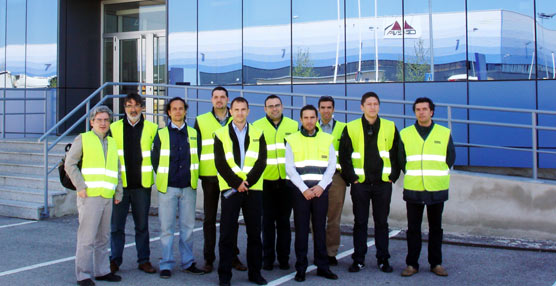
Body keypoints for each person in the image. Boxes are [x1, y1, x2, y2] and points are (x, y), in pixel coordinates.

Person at [339, 92, 400, 273]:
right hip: (361, 184)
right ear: (362, 107)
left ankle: (383, 259)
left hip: (382, 183)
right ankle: (358, 259)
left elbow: (397, 154)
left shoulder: (390, 126)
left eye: (375, 104)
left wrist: (393, 176)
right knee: (360, 222)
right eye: (369, 104)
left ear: (379, 106)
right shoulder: (351, 127)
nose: (372, 107)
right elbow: (344, 156)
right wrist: (353, 179)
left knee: (382, 222)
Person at [65, 105, 123, 286]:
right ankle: (83, 274)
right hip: (89, 195)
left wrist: (118, 190)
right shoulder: (83, 139)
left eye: (106, 120)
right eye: (99, 120)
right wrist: (80, 186)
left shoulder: (112, 142)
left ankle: (102, 271)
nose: (103, 123)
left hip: (107, 195)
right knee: (87, 238)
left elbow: (118, 169)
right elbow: (70, 164)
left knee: (103, 237)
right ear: (92, 122)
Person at [213, 97, 267, 286]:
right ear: (231, 111)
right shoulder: (220, 134)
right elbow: (220, 163)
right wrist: (237, 183)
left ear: (248, 111)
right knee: (227, 234)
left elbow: (261, 162)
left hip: (253, 190)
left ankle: (255, 273)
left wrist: (247, 182)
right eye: (236, 109)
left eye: (243, 109)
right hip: (231, 189)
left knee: (254, 234)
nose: (240, 113)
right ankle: (224, 276)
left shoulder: (259, 133)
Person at [399, 97, 455, 278]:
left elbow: (450, 157)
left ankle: (436, 263)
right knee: (413, 229)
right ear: (414, 112)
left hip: (436, 188)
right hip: (414, 187)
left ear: (431, 111)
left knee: (436, 228)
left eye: (425, 109)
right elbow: (400, 158)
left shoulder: (444, 133)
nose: (421, 112)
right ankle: (412, 264)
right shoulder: (405, 133)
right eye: (418, 109)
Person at [194, 86, 246, 273]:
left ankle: (232, 256)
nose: (219, 100)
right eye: (216, 97)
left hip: (231, 178)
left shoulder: (238, 119)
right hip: (210, 177)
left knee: (230, 220)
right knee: (209, 219)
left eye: (222, 97)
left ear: (228, 100)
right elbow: (196, 150)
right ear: (211, 100)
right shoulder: (201, 121)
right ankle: (209, 259)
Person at [152, 97, 205, 279]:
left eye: (180, 108)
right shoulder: (161, 134)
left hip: (188, 187)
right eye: (174, 109)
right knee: (166, 228)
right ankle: (166, 264)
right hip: (168, 188)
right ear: (168, 112)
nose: (177, 112)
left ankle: (188, 262)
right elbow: (155, 159)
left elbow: (198, 155)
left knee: (187, 228)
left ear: (185, 111)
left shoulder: (193, 133)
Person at [285, 105, 338, 282]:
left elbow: (332, 166)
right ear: (301, 119)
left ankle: (323, 266)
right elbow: (290, 168)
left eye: (312, 117)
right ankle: (301, 268)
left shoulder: (327, 138)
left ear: (317, 119)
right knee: (301, 231)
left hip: (320, 191)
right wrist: (304, 189)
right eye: (305, 117)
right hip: (301, 192)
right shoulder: (292, 139)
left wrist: (321, 186)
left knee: (319, 229)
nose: (309, 121)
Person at [109, 93, 158, 275]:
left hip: (141, 186)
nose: (133, 109)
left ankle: (144, 260)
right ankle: (114, 260)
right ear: (124, 108)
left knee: (142, 226)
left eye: (137, 105)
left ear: (142, 107)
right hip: (120, 186)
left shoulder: (152, 128)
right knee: (116, 227)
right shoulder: (114, 128)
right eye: (129, 105)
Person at [253, 95, 298, 271]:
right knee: (267, 223)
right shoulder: (256, 127)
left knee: (284, 222)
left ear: (282, 107)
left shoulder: (293, 126)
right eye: (270, 106)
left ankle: (284, 258)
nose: (274, 109)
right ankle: (268, 259)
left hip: (287, 182)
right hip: (265, 182)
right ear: (265, 109)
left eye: (277, 105)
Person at [317, 96, 347, 266]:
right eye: (323, 107)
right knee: (317, 218)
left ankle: (331, 252)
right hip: (316, 177)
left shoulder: (343, 129)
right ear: (319, 109)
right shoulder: (310, 127)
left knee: (334, 217)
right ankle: (319, 250)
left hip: (336, 178)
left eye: (329, 107)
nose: (326, 110)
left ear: (334, 109)